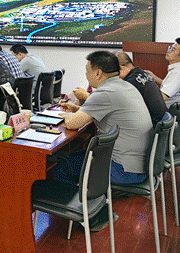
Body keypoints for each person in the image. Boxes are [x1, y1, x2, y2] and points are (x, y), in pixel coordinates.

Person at [56, 51, 153, 231]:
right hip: (140, 164)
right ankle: (95, 207)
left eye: (87, 71)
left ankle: (87, 216)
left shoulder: (105, 92)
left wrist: (64, 115)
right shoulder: (123, 86)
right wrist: (76, 108)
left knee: (61, 167)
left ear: (98, 73)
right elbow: (99, 111)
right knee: (75, 157)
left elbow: (72, 123)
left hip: (125, 170)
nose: (86, 75)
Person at [115, 51, 166, 126]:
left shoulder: (130, 82)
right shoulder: (142, 73)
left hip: (153, 125)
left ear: (120, 68)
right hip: (162, 120)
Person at [146, 38, 180, 108]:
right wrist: (154, 77)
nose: (168, 51)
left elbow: (163, 96)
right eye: (170, 48)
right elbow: (170, 86)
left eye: (173, 50)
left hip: (166, 109)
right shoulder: (176, 69)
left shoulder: (177, 72)